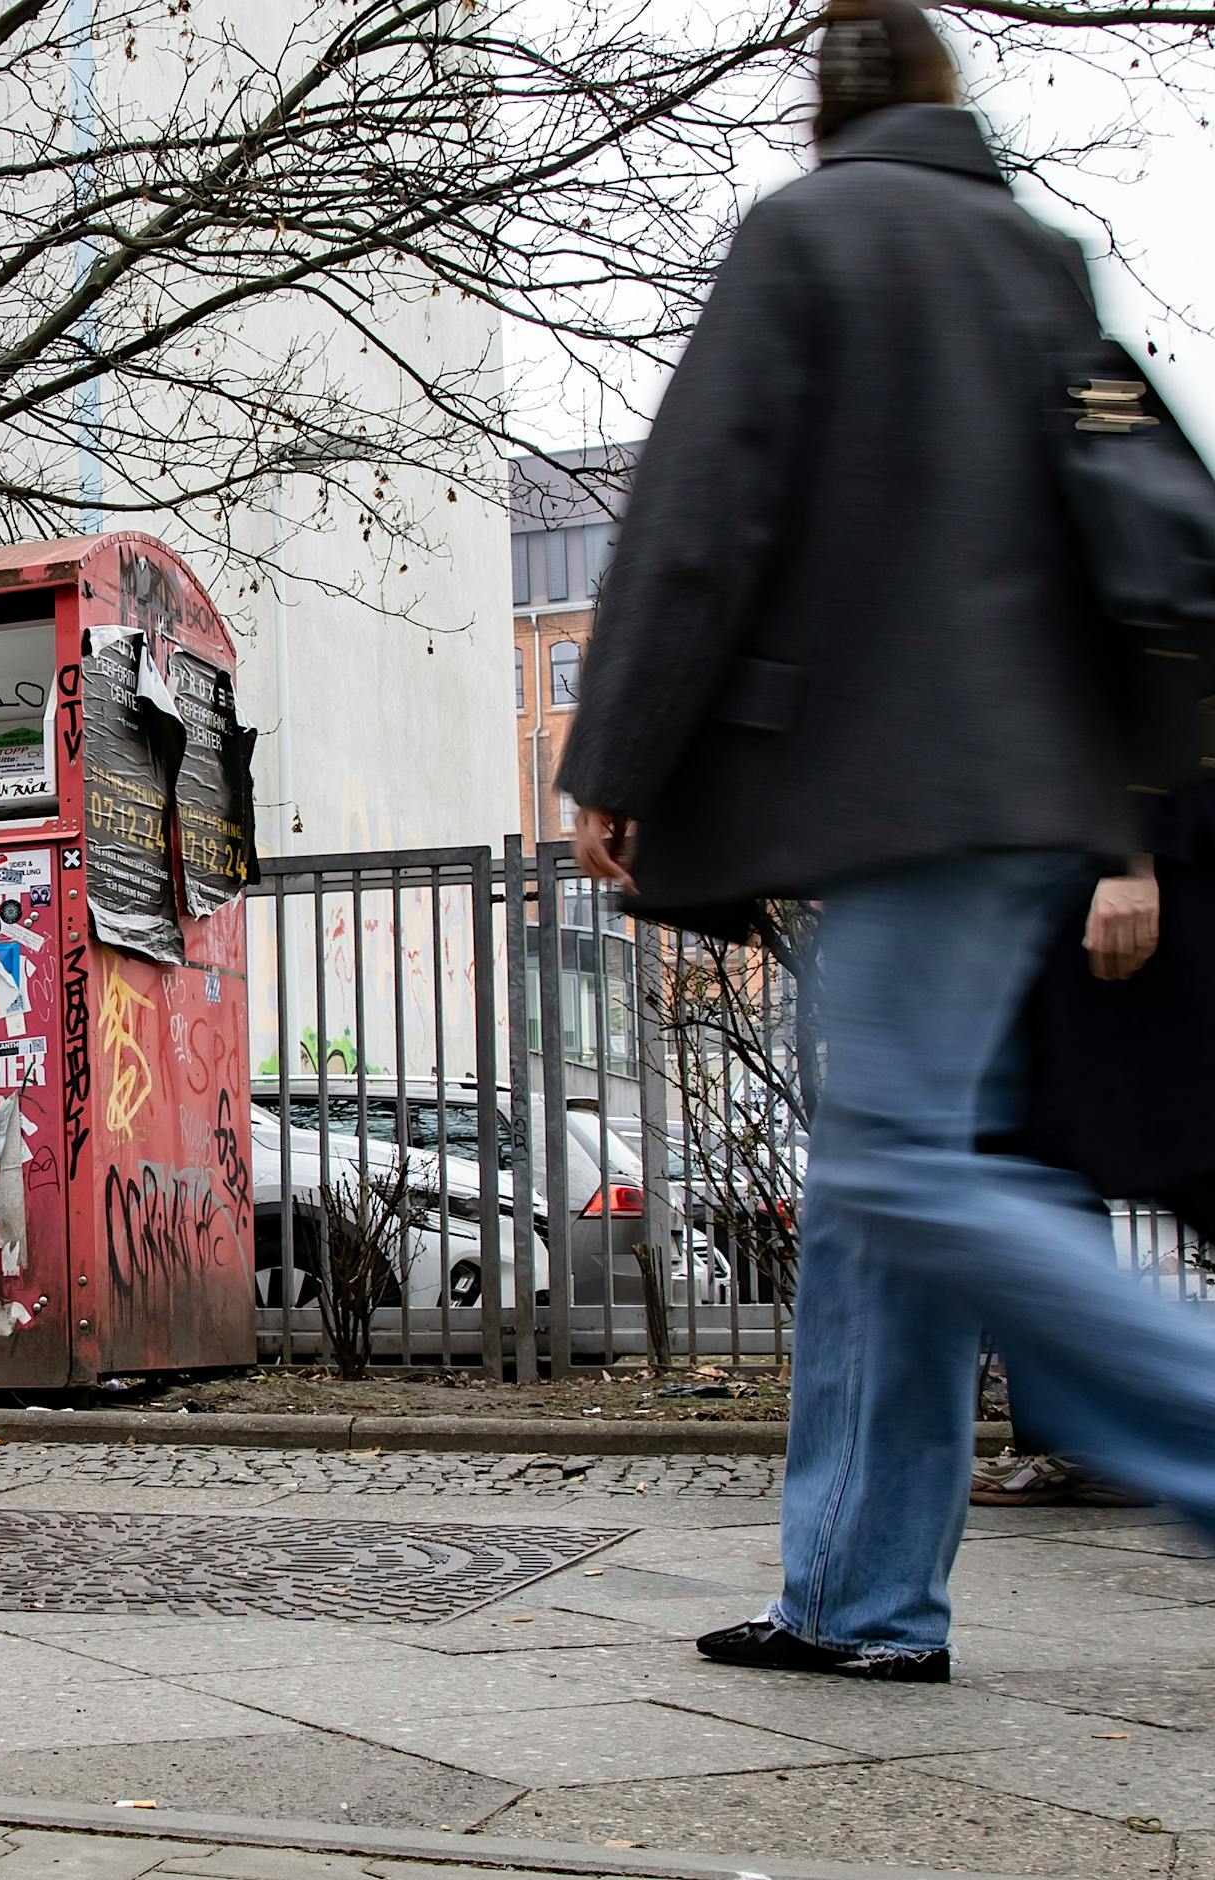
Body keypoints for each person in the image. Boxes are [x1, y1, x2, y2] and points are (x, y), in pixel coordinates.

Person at [557, 0, 1215, 1682]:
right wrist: (1129, 815)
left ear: (824, 109)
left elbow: (699, 515)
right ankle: (856, 1596)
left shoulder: (812, 237)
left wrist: (614, 759)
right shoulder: (1033, 259)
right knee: (875, 1199)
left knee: (909, 1175)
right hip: (1028, 803)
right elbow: (1137, 536)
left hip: (899, 798)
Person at [973, 778, 1215, 1505]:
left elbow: (1139, 706)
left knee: (1173, 1141)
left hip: (1131, 857)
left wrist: (1127, 858)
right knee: (1037, 1165)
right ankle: (1079, 1441)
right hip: (1056, 862)